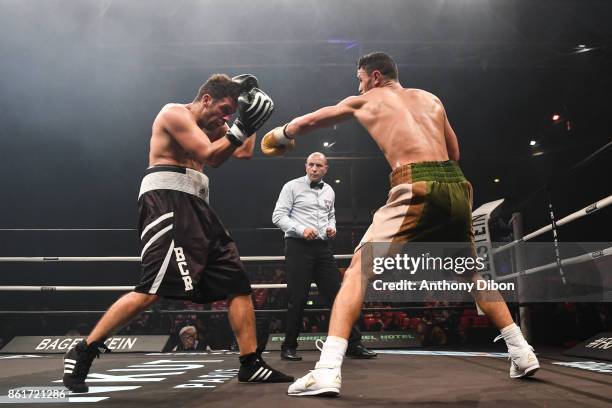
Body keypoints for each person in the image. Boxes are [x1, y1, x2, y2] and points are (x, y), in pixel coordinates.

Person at [261, 52, 539, 397]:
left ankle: (327, 370)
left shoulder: (365, 100)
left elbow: (311, 121)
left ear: (375, 77)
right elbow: (454, 153)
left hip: (415, 183)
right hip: (456, 185)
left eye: (360, 79)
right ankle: (522, 352)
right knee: (471, 273)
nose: (359, 86)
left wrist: (281, 133)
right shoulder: (431, 98)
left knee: (357, 271)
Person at [63, 73, 292, 393]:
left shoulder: (215, 125)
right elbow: (210, 155)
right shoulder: (174, 114)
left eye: (230, 112)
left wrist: (247, 121)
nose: (225, 117)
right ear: (207, 99)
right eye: (224, 109)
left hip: (199, 205)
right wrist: (240, 126)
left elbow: (240, 153)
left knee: (236, 282)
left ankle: (250, 362)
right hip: (167, 200)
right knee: (152, 288)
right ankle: (84, 350)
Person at [272, 152, 376, 361]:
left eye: (319, 165)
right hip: (298, 246)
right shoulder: (291, 186)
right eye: (311, 164)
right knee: (297, 299)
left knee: (338, 297)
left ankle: (353, 344)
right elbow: (278, 216)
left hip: (323, 248)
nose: (314, 168)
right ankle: (289, 347)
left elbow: (331, 215)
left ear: (325, 169)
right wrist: (301, 229)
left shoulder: (329, 190)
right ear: (305, 166)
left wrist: (332, 227)